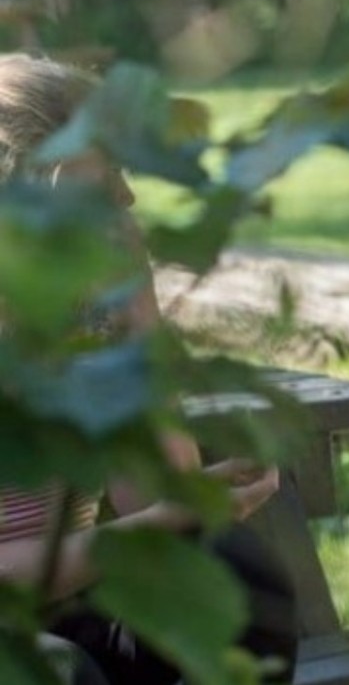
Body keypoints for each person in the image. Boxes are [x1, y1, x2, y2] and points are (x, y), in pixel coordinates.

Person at [0, 53, 296, 684]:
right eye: (107, 176)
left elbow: (155, 493)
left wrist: (134, 314)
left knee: (239, 576)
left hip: (64, 601)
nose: (127, 197)